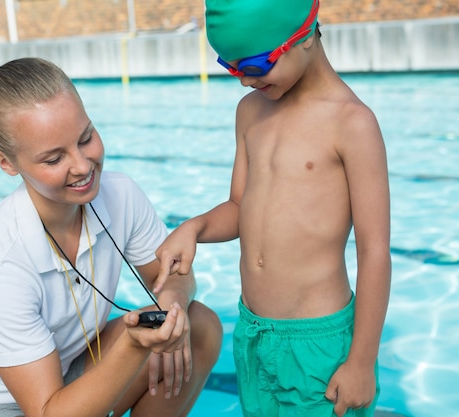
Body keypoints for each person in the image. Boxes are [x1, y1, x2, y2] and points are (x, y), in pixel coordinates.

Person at [0, 57, 222, 417]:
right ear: (7, 163)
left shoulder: (120, 194)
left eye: (86, 138)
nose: (82, 166)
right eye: (53, 159)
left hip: (63, 378)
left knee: (199, 326)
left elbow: (173, 273)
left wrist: (172, 303)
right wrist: (135, 347)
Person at [154, 0, 391, 416]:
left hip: (318, 345)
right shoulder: (250, 112)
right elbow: (239, 207)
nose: (244, 81)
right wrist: (194, 227)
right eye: (232, 69)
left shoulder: (352, 124)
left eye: (256, 67)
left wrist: (360, 362)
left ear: (301, 37)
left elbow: (374, 251)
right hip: (254, 334)